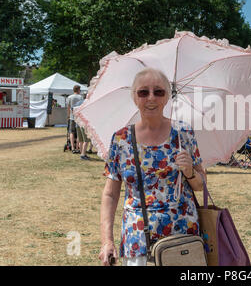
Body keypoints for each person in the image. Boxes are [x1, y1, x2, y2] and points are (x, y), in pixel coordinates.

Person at [99, 68, 205, 266]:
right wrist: (107, 241)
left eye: (158, 92)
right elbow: (110, 195)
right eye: (143, 92)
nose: (151, 98)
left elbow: (201, 185)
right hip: (137, 238)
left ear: (167, 98)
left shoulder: (184, 133)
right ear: (134, 97)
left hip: (181, 235)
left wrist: (189, 172)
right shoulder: (121, 139)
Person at [67, 85, 83, 154]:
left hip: (72, 117)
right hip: (79, 117)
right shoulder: (80, 97)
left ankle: (73, 148)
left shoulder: (69, 97)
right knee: (79, 133)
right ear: (78, 90)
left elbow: (68, 107)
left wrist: (68, 115)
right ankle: (77, 147)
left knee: (71, 132)